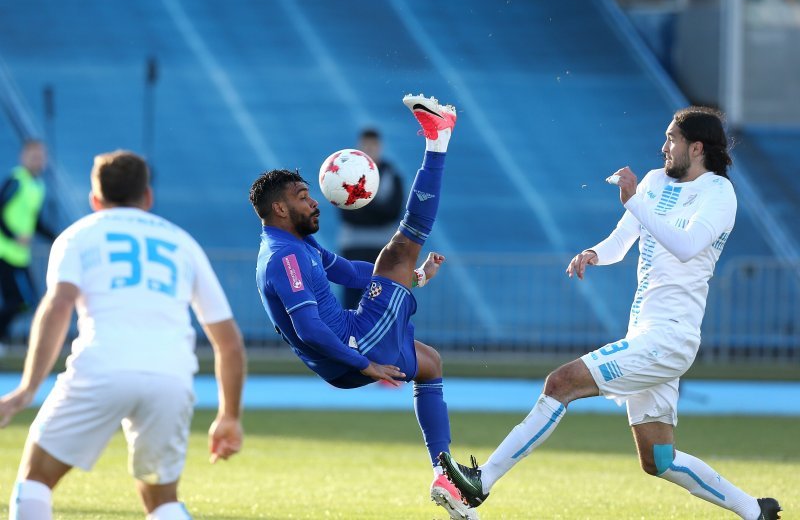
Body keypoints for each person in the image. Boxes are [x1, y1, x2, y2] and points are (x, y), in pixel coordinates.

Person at [439, 107, 782, 520]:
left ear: (696, 147)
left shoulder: (719, 193)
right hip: (645, 334)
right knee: (659, 459)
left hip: (672, 337)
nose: (663, 147)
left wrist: (636, 201)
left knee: (561, 382)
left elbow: (688, 246)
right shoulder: (655, 182)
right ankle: (753, 510)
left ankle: (482, 481)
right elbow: (623, 241)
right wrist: (594, 253)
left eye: (671, 138)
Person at [249, 94, 477, 520]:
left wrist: (415, 278)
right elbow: (310, 330)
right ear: (280, 209)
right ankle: (438, 138)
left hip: (350, 340)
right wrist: (364, 364)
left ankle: (445, 475)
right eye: (302, 197)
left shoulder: (298, 245)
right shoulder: (286, 258)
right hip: (352, 346)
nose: (314, 201)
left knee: (429, 363)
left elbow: (353, 275)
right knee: (402, 244)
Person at [0, 150, 246, 520]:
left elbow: (58, 305)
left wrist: (26, 390)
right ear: (148, 197)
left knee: (35, 481)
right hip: (171, 378)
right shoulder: (183, 243)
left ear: (95, 199)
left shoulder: (76, 236)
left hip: (102, 367)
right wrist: (229, 415)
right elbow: (229, 342)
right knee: (162, 500)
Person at [338, 128, 405, 309]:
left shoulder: (392, 175)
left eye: (373, 146)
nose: (369, 150)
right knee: (351, 301)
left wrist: (362, 202)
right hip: (354, 248)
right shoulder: (347, 175)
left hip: (383, 248)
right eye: (365, 145)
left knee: (381, 301)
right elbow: (346, 213)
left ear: (380, 147)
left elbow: (393, 212)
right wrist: (377, 208)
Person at [0, 139, 57, 351]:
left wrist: (58, 237)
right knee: (17, 300)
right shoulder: (16, 180)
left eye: (41, 157)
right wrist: (12, 235)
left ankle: (3, 338)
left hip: (20, 255)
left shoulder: (38, 185)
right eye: (34, 156)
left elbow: (36, 222)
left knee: (28, 301)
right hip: (4, 252)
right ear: (23, 157)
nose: (38, 160)